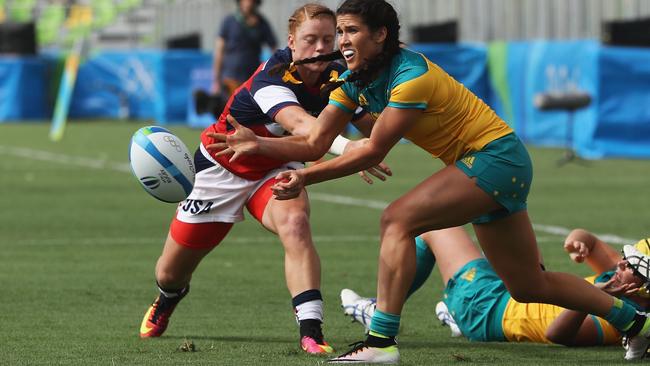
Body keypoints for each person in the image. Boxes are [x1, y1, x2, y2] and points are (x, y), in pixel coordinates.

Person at [208, 0, 650, 362]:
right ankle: (635, 323)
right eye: (338, 33)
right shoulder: (352, 81)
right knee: (528, 287)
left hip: (495, 159)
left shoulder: (410, 77)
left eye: (350, 31)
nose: (341, 41)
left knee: (397, 220)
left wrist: (303, 179)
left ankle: (381, 341)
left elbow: (375, 150)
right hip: (493, 164)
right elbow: (315, 140)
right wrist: (261, 146)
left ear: (381, 35)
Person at [139, 3, 389, 356]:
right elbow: (305, 127)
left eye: (327, 39)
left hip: (274, 166)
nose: (320, 47)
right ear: (291, 41)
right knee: (169, 273)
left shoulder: (338, 74)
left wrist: (382, 139)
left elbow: (375, 126)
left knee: (296, 223)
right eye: (310, 39)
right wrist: (352, 150)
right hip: (220, 169)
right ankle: (168, 298)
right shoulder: (272, 76)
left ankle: (311, 330)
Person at [341, 227, 650, 347]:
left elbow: (559, 335)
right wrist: (579, 242)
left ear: (646, 289)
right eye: (625, 259)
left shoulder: (615, 321)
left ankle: (379, 313)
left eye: (631, 267)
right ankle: (454, 315)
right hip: (510, 293)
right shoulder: (622, 280)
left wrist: (595, 299)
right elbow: (591, 241)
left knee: (434, 229)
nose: (620, 265)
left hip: (489, 310)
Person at [212, 0, 277, 97]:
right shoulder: (229, 21)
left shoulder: (262, 23)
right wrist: (216, 80)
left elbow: (274, 48)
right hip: (230, 78)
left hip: (252, 79)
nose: (248, 3)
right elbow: (219, 51)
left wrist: (274, 73)